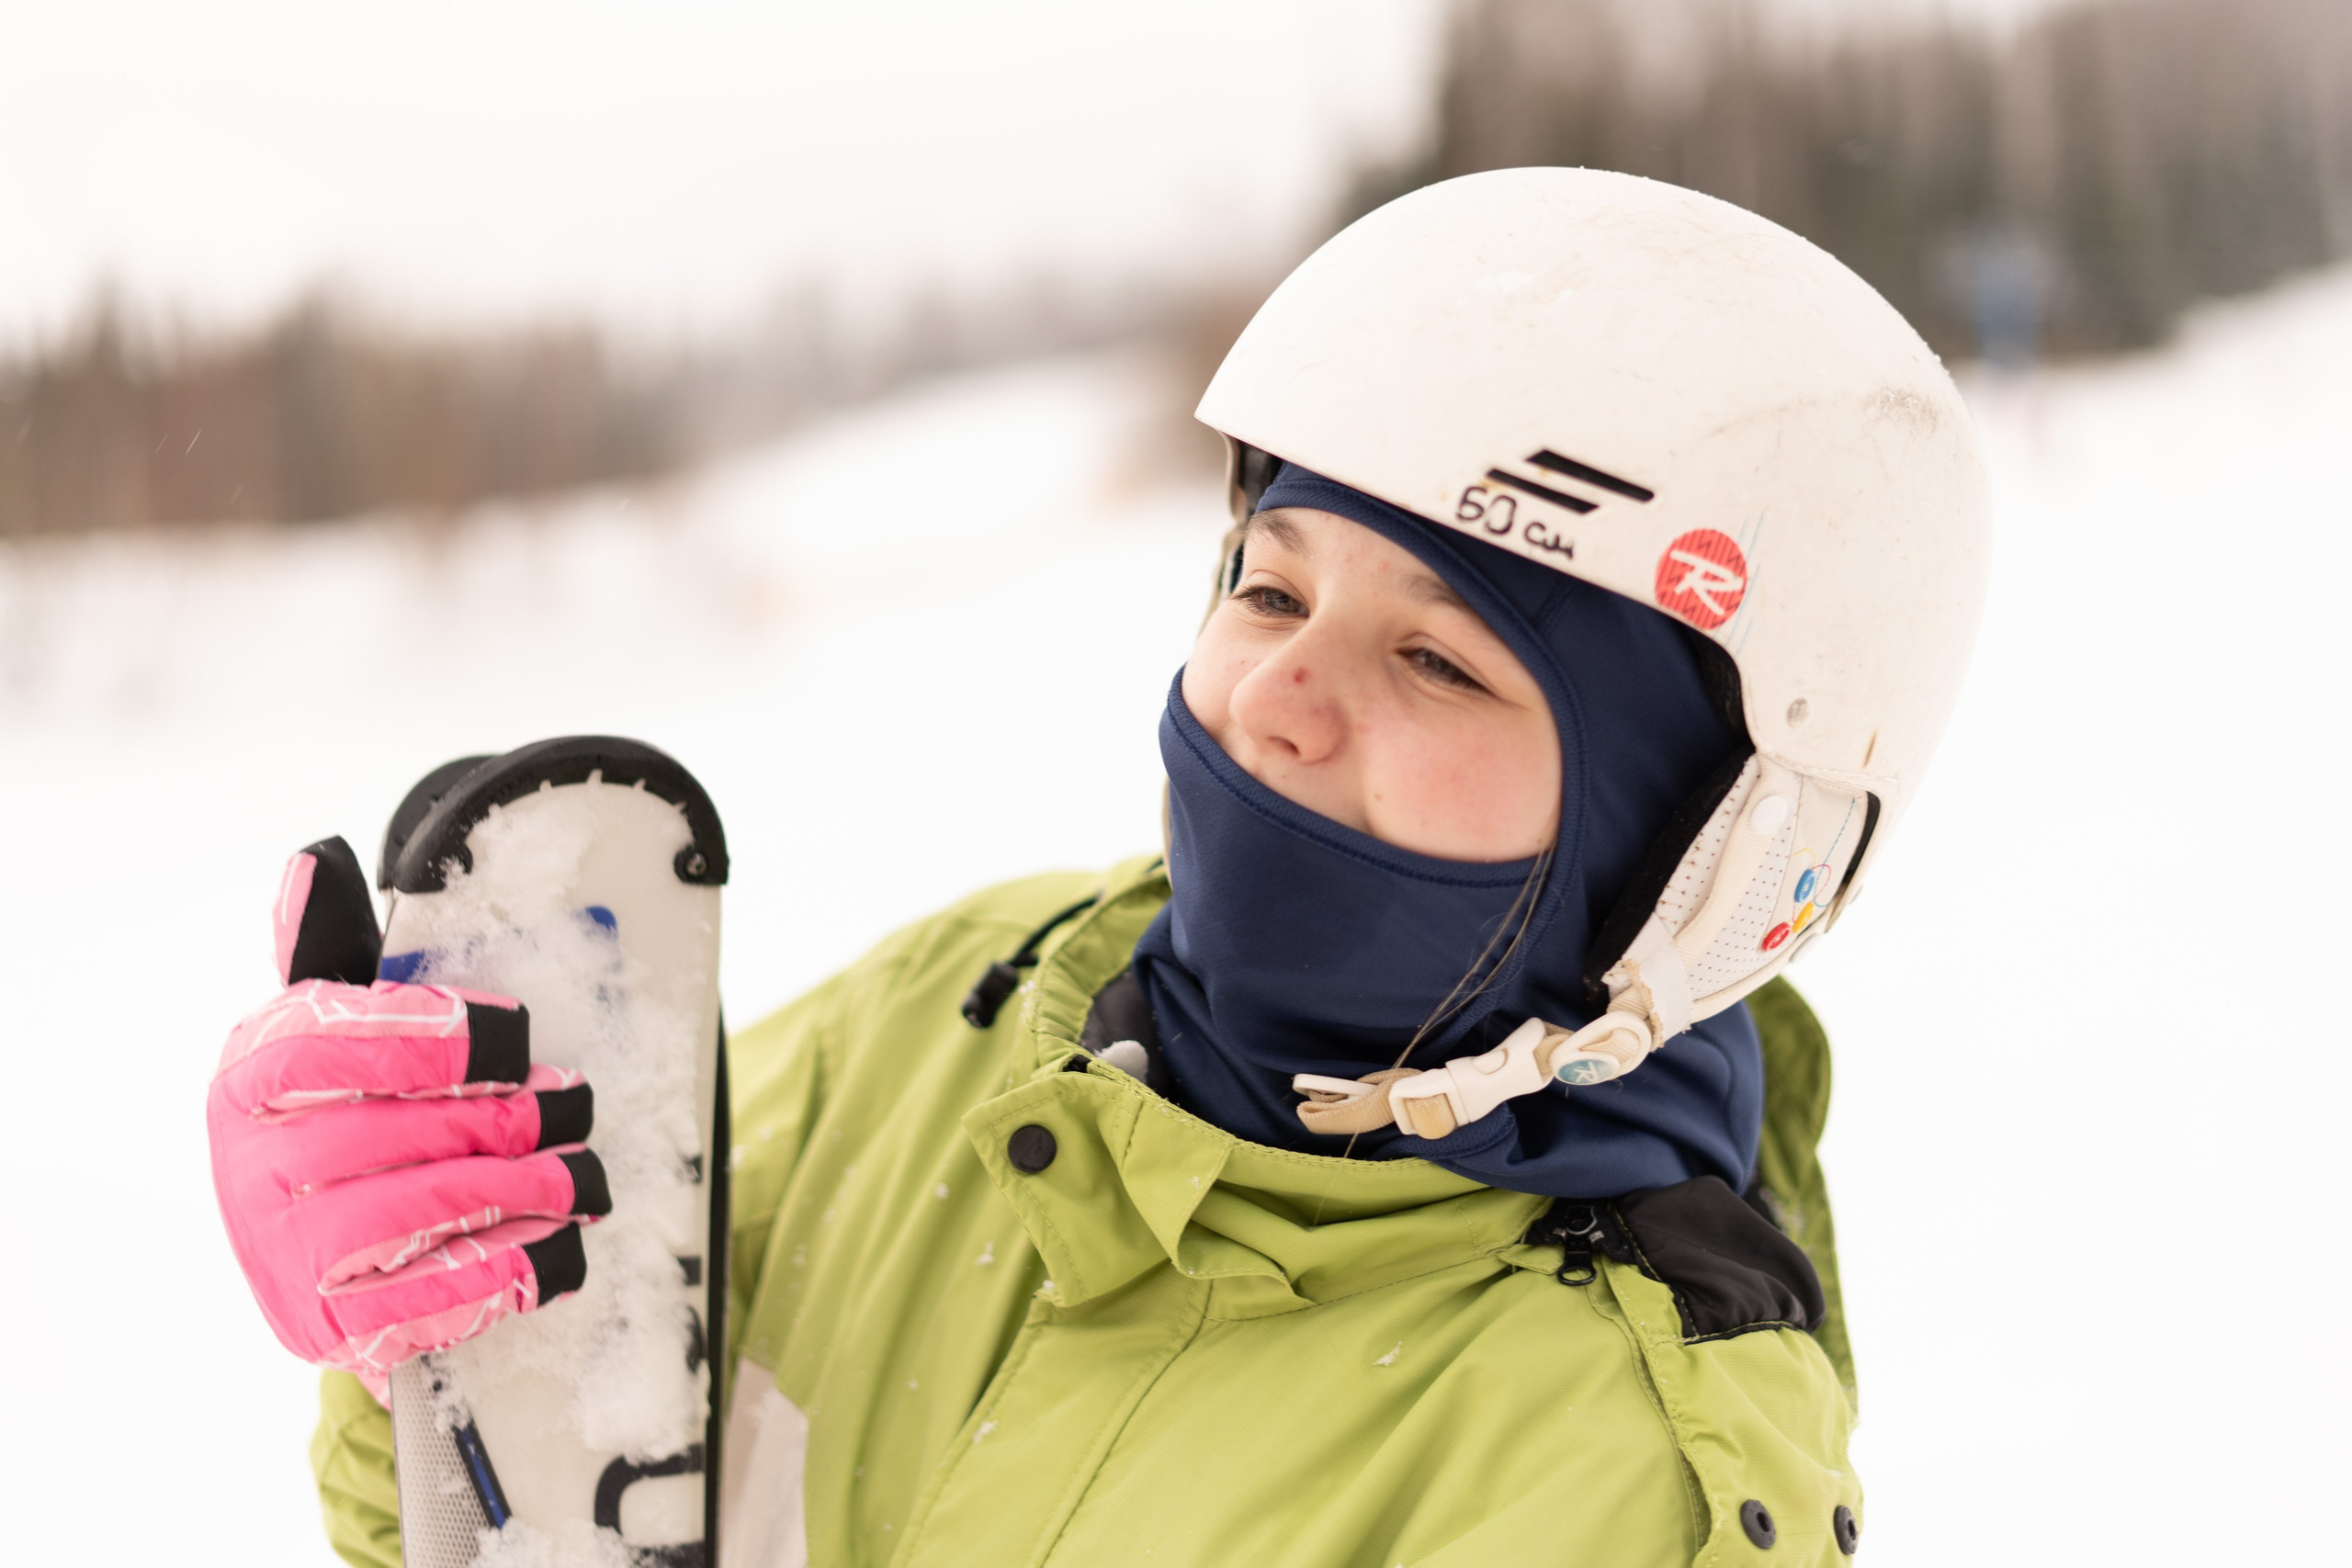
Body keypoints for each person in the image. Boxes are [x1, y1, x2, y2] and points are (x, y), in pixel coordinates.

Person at [217, 167, 1988, 1566]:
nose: (1282, 695)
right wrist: (434, 1331)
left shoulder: (1607, 1467)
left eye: (1440, 659)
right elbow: (549, 1522)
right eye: (1271, 585)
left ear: (1709, 852)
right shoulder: (962, 1013)